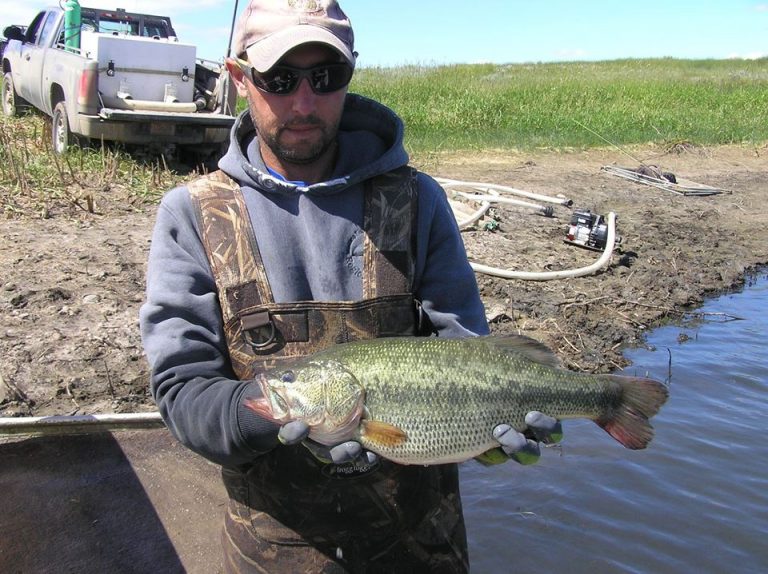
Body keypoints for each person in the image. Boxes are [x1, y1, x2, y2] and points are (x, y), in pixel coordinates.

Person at [140, 1, 560, 572]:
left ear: (351, 74)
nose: (304, 102)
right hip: (273, 550)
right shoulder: (193, 215)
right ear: (239, 78)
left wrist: (487, 434)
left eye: (326, 77)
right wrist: (265, 415)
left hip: (420, 543)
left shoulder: (418, 201)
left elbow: (466, 352)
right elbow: (182, 391)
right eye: (280, 79)